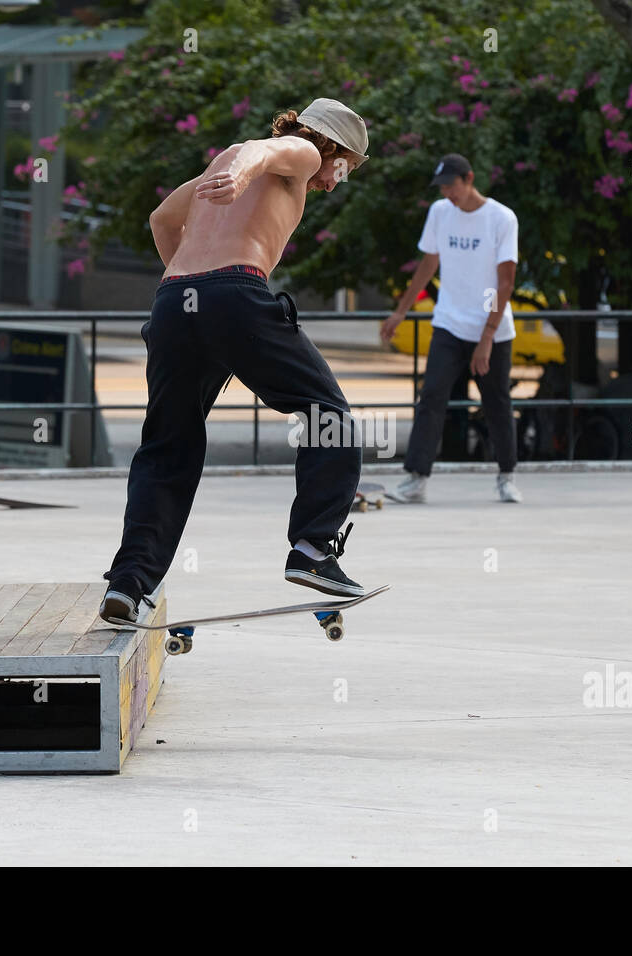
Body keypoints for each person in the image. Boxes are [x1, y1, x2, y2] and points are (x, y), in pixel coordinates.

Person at [99, 98, 370, 626]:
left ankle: (130, 584)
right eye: (348, 168)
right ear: (333, 146)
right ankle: (314, 550)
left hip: (175, 301)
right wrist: (243, 173)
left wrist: (191, 280)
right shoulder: (303, 154)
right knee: (327, 414)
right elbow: (264, 150)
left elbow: (161, 218)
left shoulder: (213, 169)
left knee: (167, 445)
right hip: (236, 294)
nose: (339, 181)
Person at [381, 153, 523, 503]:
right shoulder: (440, 213)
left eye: (451, 185)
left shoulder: (501, 219)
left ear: (469, 178)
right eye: (442, 187)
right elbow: (427, 265)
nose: (447, 193)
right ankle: (416, 478)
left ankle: (506, 475)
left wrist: (486, 338)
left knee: (496, 403)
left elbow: (505, 284)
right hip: (449, 322)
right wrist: (400, 312)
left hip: (491, 329)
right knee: (431, 397)